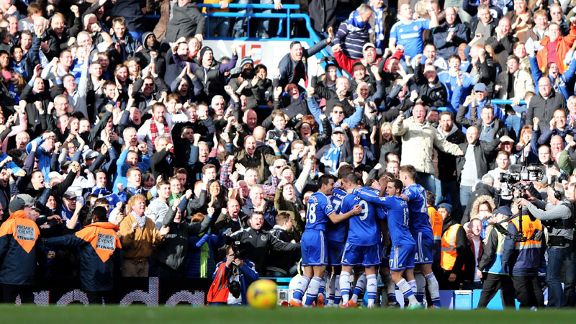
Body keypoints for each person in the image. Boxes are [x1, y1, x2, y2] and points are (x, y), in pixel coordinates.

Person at [289, 175, 361, 307]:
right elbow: (334, 219)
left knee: (307, 272)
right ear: (323, 185)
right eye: (331, 184)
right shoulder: (324, 199)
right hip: (318, 235)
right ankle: (307, 304)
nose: (333, 187)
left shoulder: (313, 197)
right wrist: (352, 212)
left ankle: (296, 299)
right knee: (320, 271)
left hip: (306, 235)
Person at [355, 178, 421, 309]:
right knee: (409, 273)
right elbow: (382, 214)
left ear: (397, 190)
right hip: (409, 242)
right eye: (388, 187)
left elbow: (374, 199)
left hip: (400, 243)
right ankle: (415, 303)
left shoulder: (392, 200)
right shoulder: (401, 202)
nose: (387, 190)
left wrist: (359, 191)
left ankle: (414, 302)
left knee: (395, 275)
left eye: (390, 187)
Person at [42, 206, 122, 304]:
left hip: (92, 277)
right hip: (108, 277)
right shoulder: (113, 233)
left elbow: (69, 239)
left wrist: (46, 241)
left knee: (94, 307)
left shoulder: (91, 231)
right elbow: (118, 256)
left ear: (95, 217)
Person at [518, 183, 573, 308]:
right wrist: (536, 201)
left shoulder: (564, 208)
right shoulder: (562, 205)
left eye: (549, 195)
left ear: (557, 195)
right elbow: (548, 207)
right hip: (559, 246)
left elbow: (542, 215)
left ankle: (556, 305)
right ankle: (556, 304)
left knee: (552, 278)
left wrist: (527, 204)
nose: (548, 198)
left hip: (559, 246)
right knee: (552, 278)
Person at [398, 165, 442, 308]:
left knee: (426, 269)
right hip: (418, 232)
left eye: (400, 177)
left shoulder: (412, 190)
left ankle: (436, 304)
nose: (399, 179)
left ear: (405, 177)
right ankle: (418, 302)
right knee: (415, 269)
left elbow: (402, 198)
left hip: (419, 233)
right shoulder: (421, 188)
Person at [338, 173, 383, 308]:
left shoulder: (348, 198)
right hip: (372, 238)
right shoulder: (372, 195)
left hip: (355, 238)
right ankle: (370, 304)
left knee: (346, 269)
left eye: (343, 184)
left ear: (348, 183)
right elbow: (381, 215)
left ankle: (346, 301)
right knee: (370, 271)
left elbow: (341, 218)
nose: (342, 186)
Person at [502, 200, 545, 309]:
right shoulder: (538, 222)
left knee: (524, 297)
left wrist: (505, 263)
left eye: (513, 208)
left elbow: (509, 246)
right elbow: (543, 245)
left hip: (519, 265)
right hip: (533, 264)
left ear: (518, 207)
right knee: (536, 293)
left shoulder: (515, 222)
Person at [0, 197, 41, 303]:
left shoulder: (8, 224)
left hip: (9, 277)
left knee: (8, 311)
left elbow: (1, 250)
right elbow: (40, 251)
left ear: (11, 210)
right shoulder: (34, 225)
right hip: (29, 277)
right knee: (28, 309)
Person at [477, 206, 516, 308]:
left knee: (484, 299)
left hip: (495, 269)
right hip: (508, 270)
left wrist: (480, 267)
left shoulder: (496, 229)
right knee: (508, 301)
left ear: (502, 216)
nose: (495, 216)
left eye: (497, 215)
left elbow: (489, 252)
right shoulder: (515, 228)